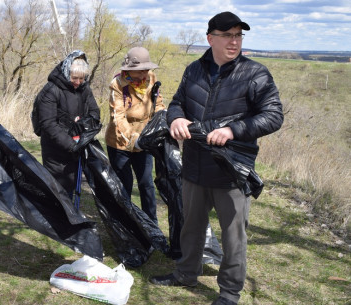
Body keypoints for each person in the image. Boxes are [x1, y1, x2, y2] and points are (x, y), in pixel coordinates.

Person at [148, 12, 284, 305]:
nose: (234, 41)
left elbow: (273, 116)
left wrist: (233, 130)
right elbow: (176, 103)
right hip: (195, 167)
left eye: (238, 35)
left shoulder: (255, 74)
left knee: (233, 238)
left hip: (231, 171)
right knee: (191, 227)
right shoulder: (194, 70)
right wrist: (176, 119)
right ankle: (185, 273)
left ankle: (229, 293)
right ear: (210, 39)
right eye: (227, 35)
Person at [104, 47, 165, 224]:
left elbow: (158, 103)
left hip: (145, 141)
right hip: (120, 142)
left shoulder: (151, 78)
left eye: (147, 69)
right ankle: (126, 224)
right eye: (141, 70)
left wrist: (162, 121)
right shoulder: (117, 84)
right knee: (125, 185)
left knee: (146, 184)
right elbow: (118, 117)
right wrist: (134, 140)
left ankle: (151, 224)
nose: (145, 73)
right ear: (130, 69)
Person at [36, 50, 100, 199]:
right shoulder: (51, 90)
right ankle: (58, 219)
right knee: (57, 188)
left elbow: (95, 113)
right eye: (74, 78)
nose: (78, 82)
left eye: (82, 79)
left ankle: (70, 217)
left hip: (77, 144)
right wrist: (71, 145)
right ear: (66, 73)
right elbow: (48, 123)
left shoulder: (85, 89)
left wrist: (83, 125)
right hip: (55, 148)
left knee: (71, 184)